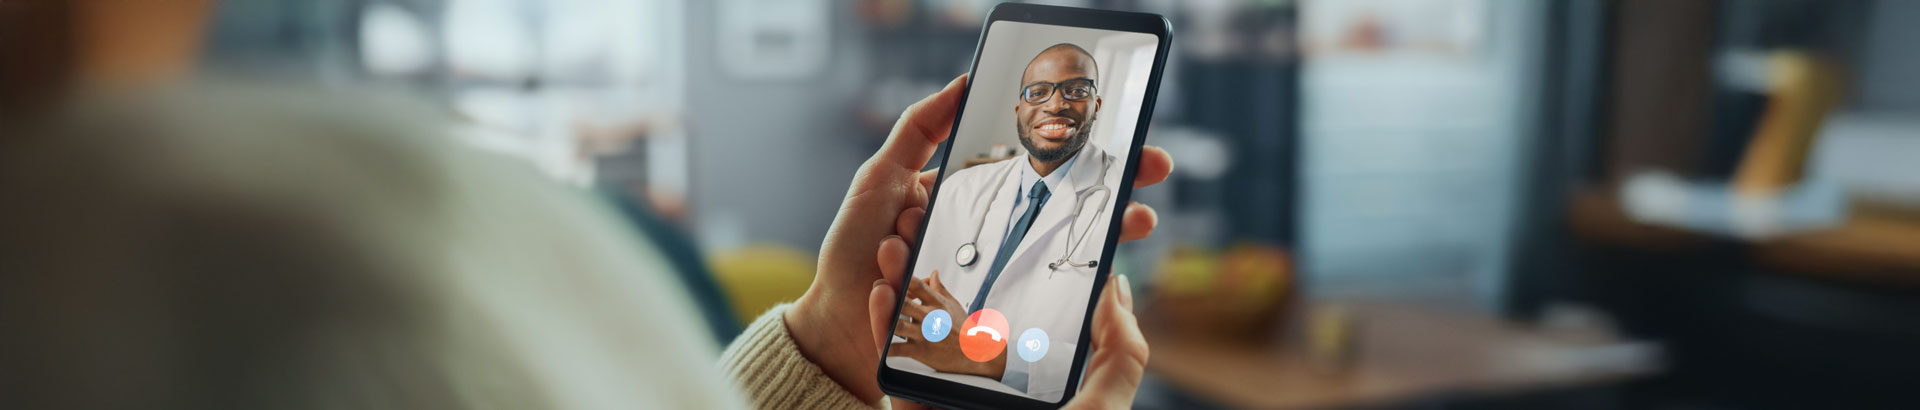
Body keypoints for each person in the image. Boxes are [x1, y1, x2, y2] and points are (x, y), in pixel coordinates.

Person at [0, 2, 1176, 409]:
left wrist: (820, 349)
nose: (1064, 116)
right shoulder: (312, 244)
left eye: (1081, 100)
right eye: (1051, 95)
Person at [886, 43, 1126, 401]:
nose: (1055, 104)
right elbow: (914, 307)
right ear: (1019, 110)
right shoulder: (961, 188)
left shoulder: (1122, 200)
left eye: (1076, 91)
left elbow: (1098, 359)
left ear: (1097, 106)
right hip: (924, 391)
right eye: (1038, 92)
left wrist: (981, 353)